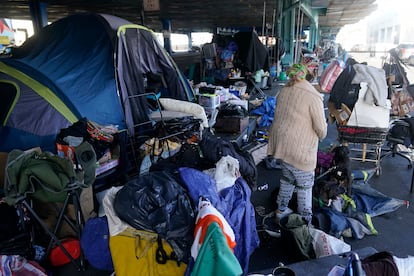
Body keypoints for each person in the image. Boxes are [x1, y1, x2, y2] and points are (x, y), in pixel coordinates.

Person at [267, 63, 327, 224]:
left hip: (281, 146)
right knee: (304, 186)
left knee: (287, 179)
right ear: (308, 75)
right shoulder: (313, 96)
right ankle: (304, 223)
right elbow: (322, 130)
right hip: (300, 150)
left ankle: (281, 210)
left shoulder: (284, 90)